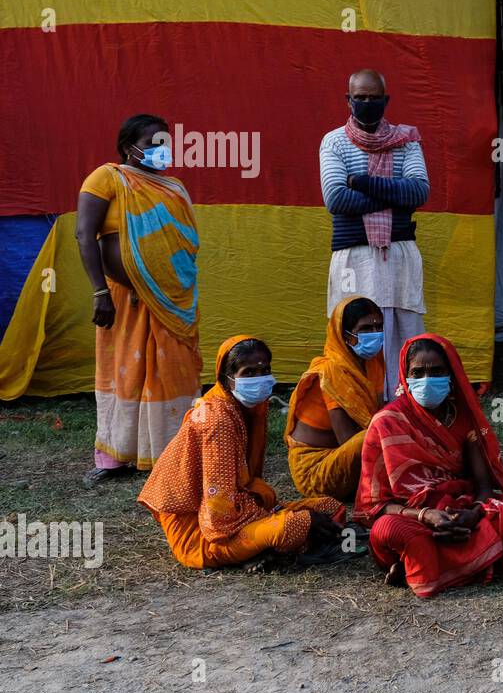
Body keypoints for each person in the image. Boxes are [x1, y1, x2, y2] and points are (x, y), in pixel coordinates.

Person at [353, 334, 503, 597]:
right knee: (387, 529)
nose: (427, 379)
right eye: (418, 372)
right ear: (406, 376)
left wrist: (474, 513)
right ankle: (466, 561)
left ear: (451, 374)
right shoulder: (387, 421)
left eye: (436, 371)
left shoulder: (463, 418)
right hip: (413, 520)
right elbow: (375, 507)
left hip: (460, 511)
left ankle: (423, 566)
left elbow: (483, 487)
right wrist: (427, 516)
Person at [138, 335, 346, 570]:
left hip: (237, 508)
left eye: (265, 370)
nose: (259, 379)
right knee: (294, 526)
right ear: (226, 380)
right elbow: (219, 515)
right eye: (248, 373)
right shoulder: (218, 420)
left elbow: (242, 489)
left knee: (330, 506)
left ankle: (270, 548)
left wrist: (271, 512)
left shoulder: (247, 407)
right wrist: (274, 519)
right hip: (201, 531)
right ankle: (263, 549)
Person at [75, 114, 202, 484]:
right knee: (125, 375)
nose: (163, 151)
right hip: (121, 299)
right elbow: (85, 235)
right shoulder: (107, 178)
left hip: (171, 301)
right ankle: (116, 457)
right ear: (129, 147)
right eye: (153, 144)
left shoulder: (174, 186)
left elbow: (185, 243)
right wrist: (99, 292)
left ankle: (171, 451)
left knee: (170, 372)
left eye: (166, 143)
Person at [320, 68, 429, 401]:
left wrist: (363, 182)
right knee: (357, 329)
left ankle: (404, 408)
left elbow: (418, 193)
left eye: (374, 97)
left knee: (403, 329)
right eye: (360, 97)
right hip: (355, 257)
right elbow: (336, 199)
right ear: (348, 100)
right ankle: (356, 407)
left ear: (386, 100)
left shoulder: (406, 140)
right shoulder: (334, 141)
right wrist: (392, 193)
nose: (367, 103)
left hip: (399, 253)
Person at [284, 295, 386, 501]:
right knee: (377, 434)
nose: (375, 334)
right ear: (345, 335)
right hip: (316, 470)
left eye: (379, 327)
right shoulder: (330, 372)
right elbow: (348, 439)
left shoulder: (373, 362)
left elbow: (379, 410)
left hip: (344, 456)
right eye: (365, 329)